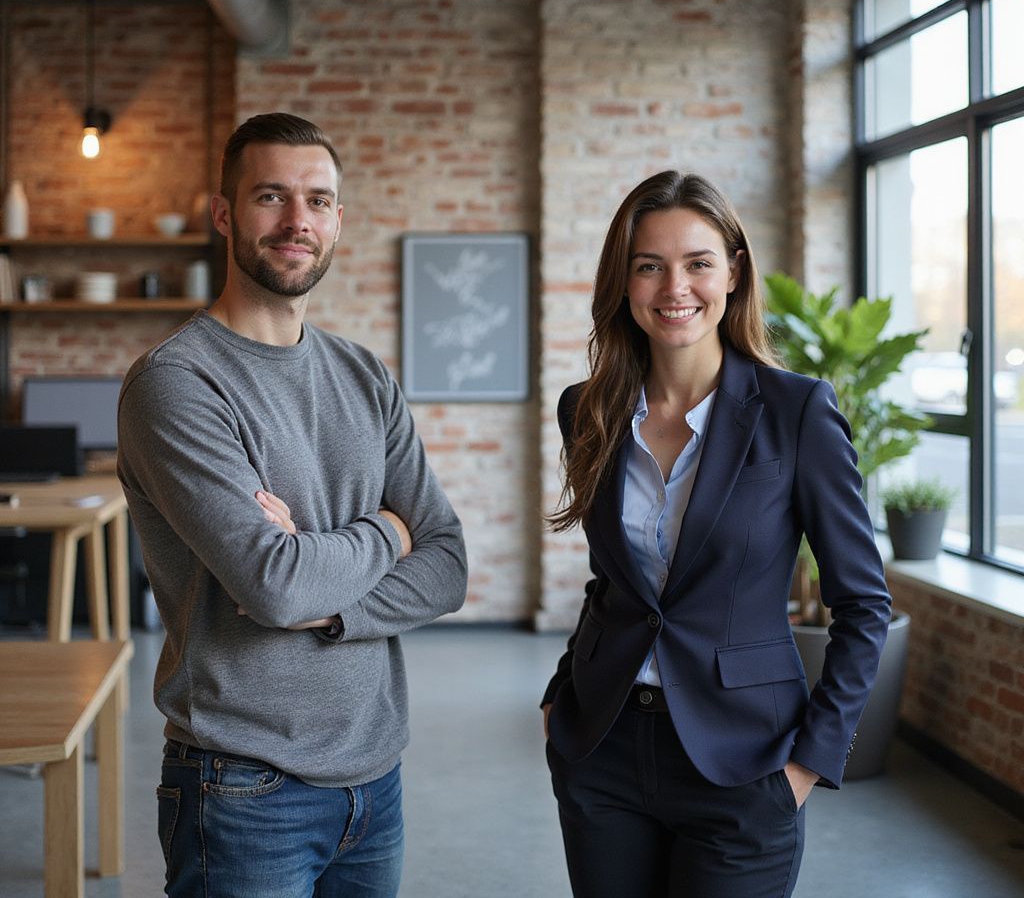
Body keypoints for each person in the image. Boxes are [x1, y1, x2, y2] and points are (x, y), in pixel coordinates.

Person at [117, 112, 467, 897]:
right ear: (224, 213)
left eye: (317, 201)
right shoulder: (176, 383)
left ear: (338, 220)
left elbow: (447, 564)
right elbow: (276, 586)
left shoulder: (364, 374)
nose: (296, 221)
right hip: (242, 787)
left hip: (376, 779)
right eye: (271, 196)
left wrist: (331, 598)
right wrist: (387, 528)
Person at [541, 170, 891, 898]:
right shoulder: (587, 410)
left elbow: (862, 604)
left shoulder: (798, 412)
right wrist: (559, 698)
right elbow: (617, 582)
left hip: (747, 761)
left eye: (698, 262)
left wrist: (808, 764)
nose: (675, 286)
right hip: (603, 751)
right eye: (649, 265)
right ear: (624, 281)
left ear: (733, 271)